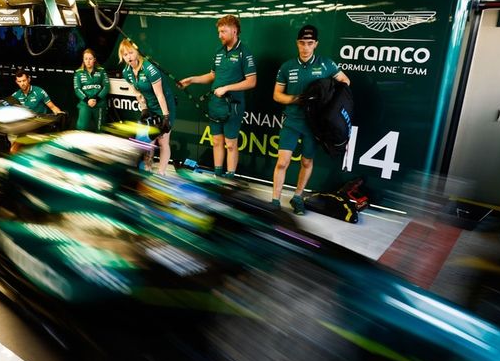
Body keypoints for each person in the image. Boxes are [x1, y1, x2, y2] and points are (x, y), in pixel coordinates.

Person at [271, 24, 350, 214]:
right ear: (297, 43)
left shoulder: (326, 64)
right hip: (292, 120)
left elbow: (346, 82)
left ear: (316, 44)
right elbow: (277, 95)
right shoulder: (287, 66)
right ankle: (274, 202)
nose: (305, 47)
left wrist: (327, 95)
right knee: (283, 162)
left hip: (313, 124)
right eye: (301, 43)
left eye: (309, 43)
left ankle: (297, 198)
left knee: (306, 162)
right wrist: (298, 99)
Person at [178, 15, 256, 177]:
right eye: (219, 31)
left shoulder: (244, 52)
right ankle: (218, 175)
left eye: (223, 31)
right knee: (216, 141)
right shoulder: (219, 52)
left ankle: (229, 177)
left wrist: (226, 88)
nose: (219, 35)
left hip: (233, 105)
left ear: (234, 31)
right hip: (215, 104)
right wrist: (192, 80)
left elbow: (251, 82)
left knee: (231, 144)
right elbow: (212, 76)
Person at [118, 38, 176, 175]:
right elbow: (137, 93)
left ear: (137, 52)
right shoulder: (127, 72)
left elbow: (160, 95)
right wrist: (144, 108)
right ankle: (147, 169)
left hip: (164, 106)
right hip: (149, 107)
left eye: (131, 53)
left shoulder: (150, 69)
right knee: (147, 141)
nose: (129, 57)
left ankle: (161, 173)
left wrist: (166, 117)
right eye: (125, 55)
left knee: (163, 142)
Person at [73, 49, 109, 132]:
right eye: (86, 59)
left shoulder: (101, 71)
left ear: (94, 60)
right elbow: (77, 89)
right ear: (83, 60)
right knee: (81, 127)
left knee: (101, 129)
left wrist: (96, 99)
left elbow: (106, 87)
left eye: (90, 58)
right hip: (85, 104)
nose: (88, 61)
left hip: (100, 103)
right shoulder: (78, 73)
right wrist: (87, 100)